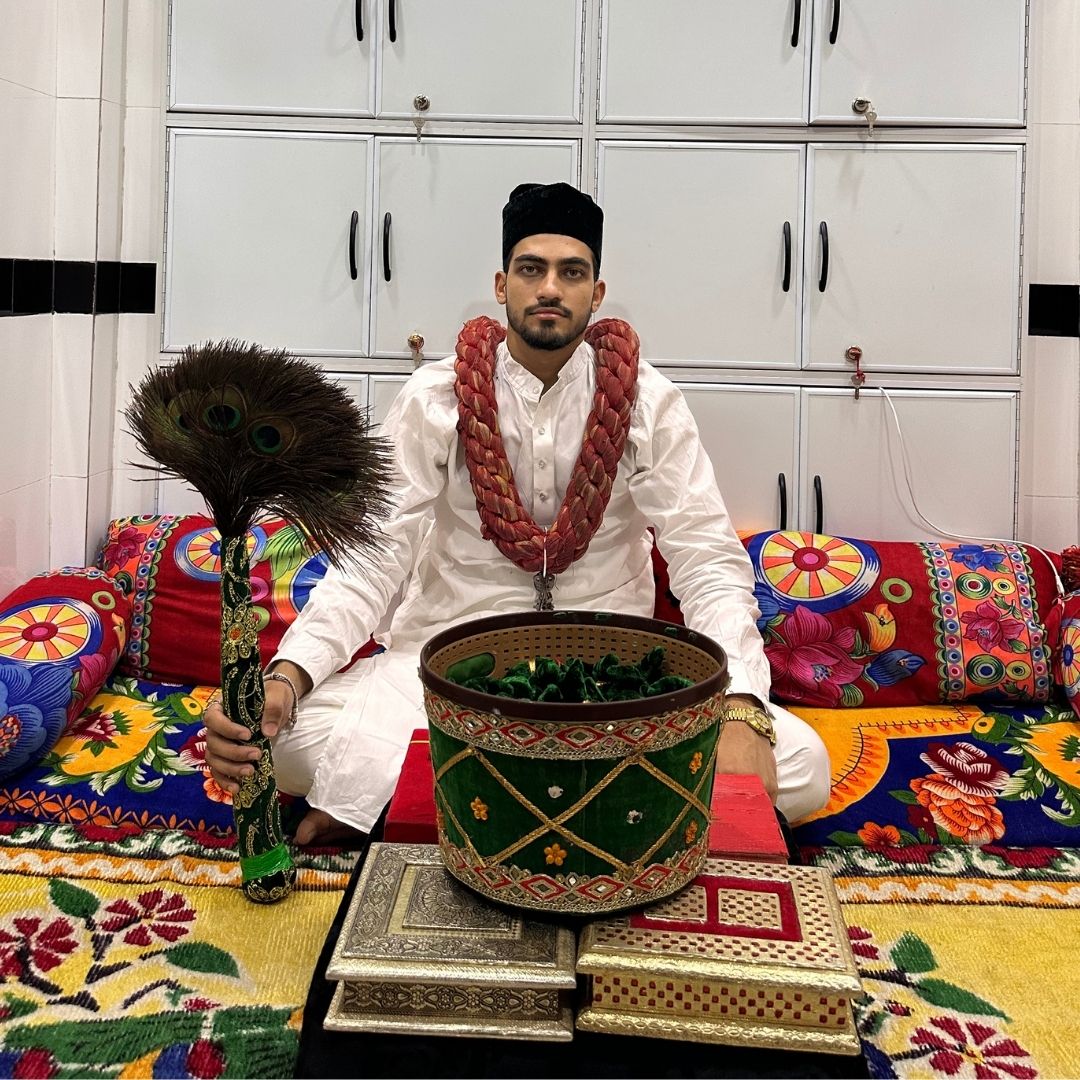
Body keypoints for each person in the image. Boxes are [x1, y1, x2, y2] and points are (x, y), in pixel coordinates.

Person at [204, 182, 830, 846]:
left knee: (803, 766)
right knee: (281, 739)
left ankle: (429, 799)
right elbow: (374, 557)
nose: (550, 288)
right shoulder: (434, 397)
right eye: (532, 269)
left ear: (597, 291)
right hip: (445, 669)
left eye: (572, 272)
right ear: (502, 285)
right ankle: (592, 810)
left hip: (607, 678)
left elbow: (704, 558)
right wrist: (288, 676)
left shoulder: (649, 402)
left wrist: (740, 706)